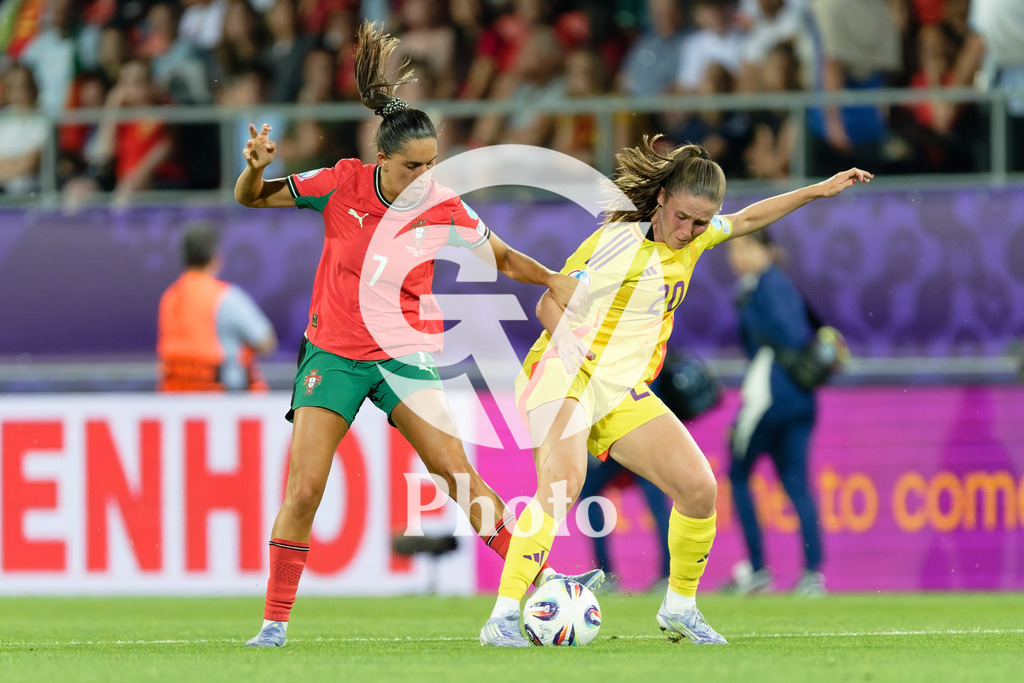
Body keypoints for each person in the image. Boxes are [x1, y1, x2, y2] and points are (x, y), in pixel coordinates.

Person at [235, 21, 602, 648]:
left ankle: (540, 578)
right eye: (414, 166)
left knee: (457, 472)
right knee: (306, 489)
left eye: (433, 164)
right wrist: (254, 170)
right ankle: (273, 625)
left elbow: (505, 258)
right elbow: (251, 199)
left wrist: (552, 280)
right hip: (335, 354)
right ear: (383, 160)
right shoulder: (341, 182)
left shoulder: (442, 204)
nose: (426, 176)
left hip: (403, 355)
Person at [479, 135, 871, 646]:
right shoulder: (617, 244)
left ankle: (679, 608)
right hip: (562, 372)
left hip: (619, 388)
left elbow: (750, 219)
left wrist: (815, 191)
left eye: (702, 223)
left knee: (699, 487)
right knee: (563, 486)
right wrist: (572, 347)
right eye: (683, 217)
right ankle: (503, 618)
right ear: (661, 197)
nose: (689, 232)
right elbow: (549, 304)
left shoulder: (701, 236)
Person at [720, 230, 824, 596]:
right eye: (734, 249)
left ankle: (759, 569)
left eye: (745, 247)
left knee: (737, 471)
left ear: (765, 250)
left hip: (771, 391)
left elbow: (785, 337)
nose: (737, 257)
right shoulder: (781, 284)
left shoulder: (763, 285)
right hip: (801, 396)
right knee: (796, 481)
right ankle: (813, 575)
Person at [157, 223, 277, 392]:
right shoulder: (225, 297)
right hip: (223, 397)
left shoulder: (170, 296)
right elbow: (266, 342)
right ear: (216, 257)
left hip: (177, 394)